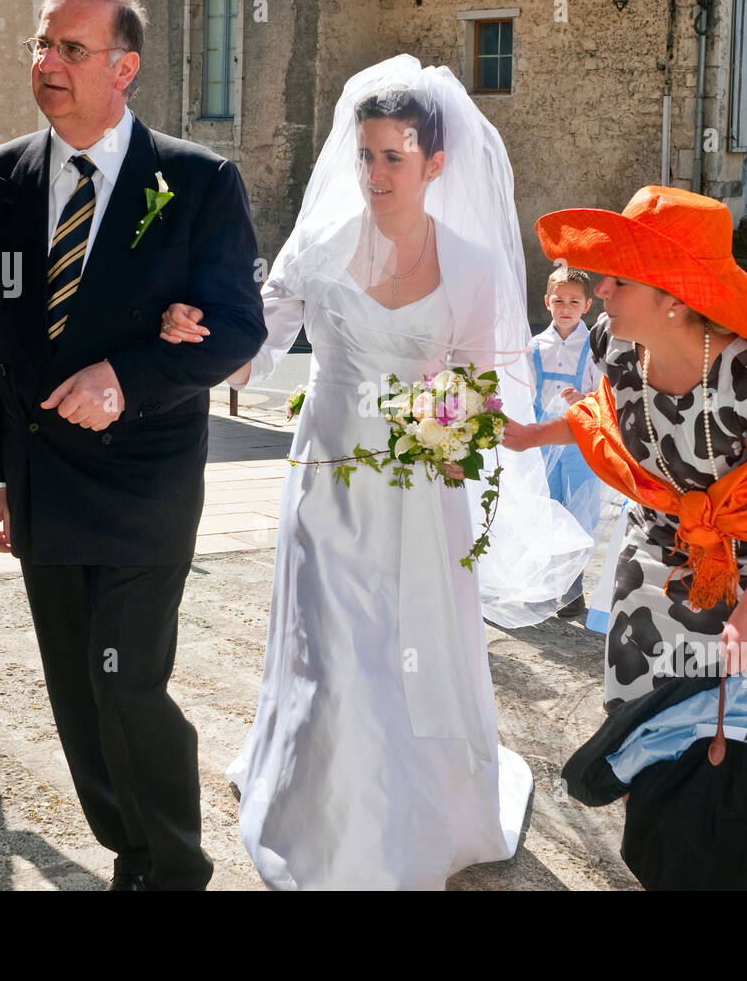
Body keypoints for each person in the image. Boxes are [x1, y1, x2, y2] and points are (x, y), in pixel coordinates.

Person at [162, 57, 587, 889]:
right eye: (367, 154)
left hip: (423, 487)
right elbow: (255, 353)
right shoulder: (318, 245)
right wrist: (194, 336)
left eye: (396, 156)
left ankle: (417, 805)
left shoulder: (470, 264)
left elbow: (486, 387)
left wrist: (446, 421)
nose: (377, 172)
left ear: (435, 163)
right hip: (327, 476)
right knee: (331, 634)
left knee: (413, 635)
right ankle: (321, 800)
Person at [0, 0, 266, 891]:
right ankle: (128, 847)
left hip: (145, 483)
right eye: (41, 46)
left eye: (71, 50)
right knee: (77, 691)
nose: (47, 64)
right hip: (39, 481)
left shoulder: (198, 181)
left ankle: (173, 865)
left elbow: (238, 329)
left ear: (124, 68)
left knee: (125, 677)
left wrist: (130, 377)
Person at [504, 188, 747, 708]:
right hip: (658, 540)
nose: (603, 290)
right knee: (635, 712)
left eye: (622, 280)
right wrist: (530, 436)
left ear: (677, 297)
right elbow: (605, 415)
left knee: (732, 724)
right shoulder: (614, 344)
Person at [527, 266, 600, 616]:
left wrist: (582, 400)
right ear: (547, 302)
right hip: (543, 438)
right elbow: (526, 391)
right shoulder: (535, 346)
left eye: (574, 301)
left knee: (579, 510)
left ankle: (573, 589)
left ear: (587, 305)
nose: (566, 308)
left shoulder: (594, 346)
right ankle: (543, 586)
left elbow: (604, 395)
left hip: (579, 439)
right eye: (559, 301)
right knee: (545, 507)